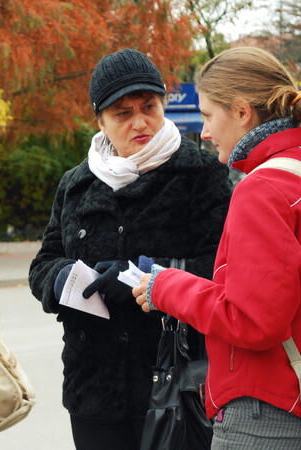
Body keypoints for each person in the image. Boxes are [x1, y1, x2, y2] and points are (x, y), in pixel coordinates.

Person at [28, 48, 232, 450]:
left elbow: (221, 268)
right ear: (100, 120)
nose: (140, 122)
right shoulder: (76, 183)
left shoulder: (202, 175)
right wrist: (60, 279)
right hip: (93, 387)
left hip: (177, 382)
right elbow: (43, 263)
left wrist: (141, 278)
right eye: (122, 113)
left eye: (149, 107)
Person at [134, 46, 301, 449]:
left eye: (209, 115)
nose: (204, 132)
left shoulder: (261, 190)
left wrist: (167, 288)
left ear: (242, 112)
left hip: (266, 408)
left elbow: (254, 320)